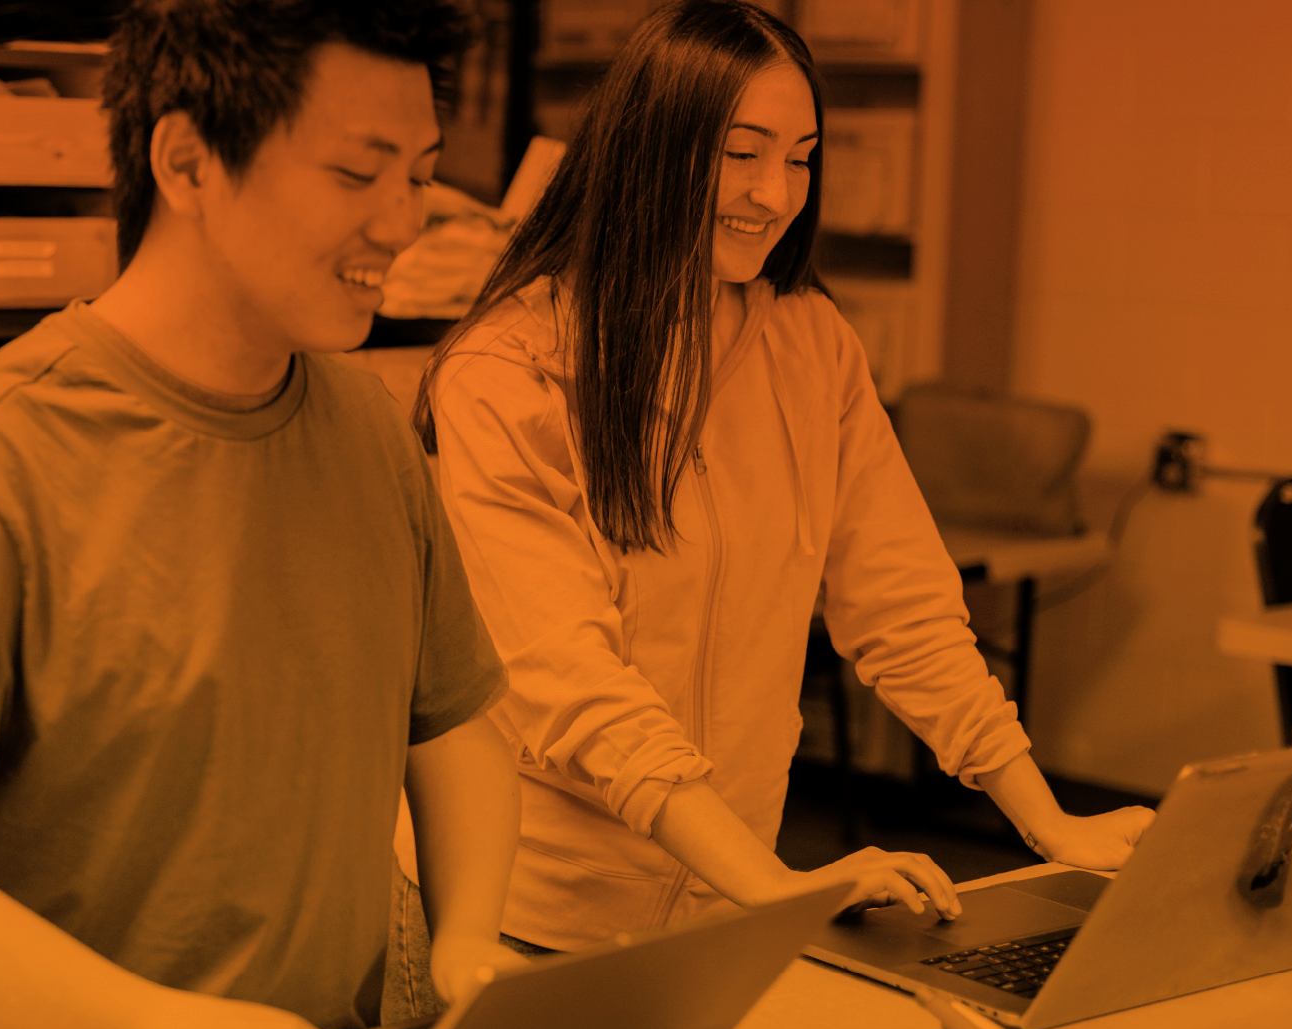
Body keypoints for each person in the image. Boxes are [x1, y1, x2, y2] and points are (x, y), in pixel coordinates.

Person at [0, 3, 523, 1029]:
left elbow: (454, 732)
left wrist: (467, 942)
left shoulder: (365, 432)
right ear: (187, 160)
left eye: (421, 174)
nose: (403, 223)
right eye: (359, 176)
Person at [403, 0, 1157, 957]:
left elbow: (902, 605)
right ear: (650, 146)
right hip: (531, 912)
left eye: (800, 156)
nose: (775, 191)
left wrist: (1047, 819)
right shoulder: (511, 367)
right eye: (741, 151)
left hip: (722, 908)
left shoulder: (810, 344)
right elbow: (574, 680)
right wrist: (777, 886)